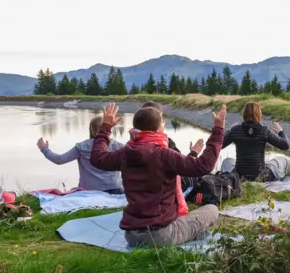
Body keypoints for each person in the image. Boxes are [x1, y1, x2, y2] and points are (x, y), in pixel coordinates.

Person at [90, 103, 226, 247]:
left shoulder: (125, 153)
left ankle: (190, 234)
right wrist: (218, 130)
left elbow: (97, 158)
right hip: (161, 235)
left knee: (193, 224)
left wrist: (105, 128)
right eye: (162, 122)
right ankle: (190, 235)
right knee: (212, 209)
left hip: (131, 236)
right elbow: (203, 166)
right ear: (157, 129)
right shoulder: (164, 155)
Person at [36, 116, 124, 194]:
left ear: (91, 129)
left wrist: (44, 149)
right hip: (115, 189)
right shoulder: (117, 146)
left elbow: (59, 159)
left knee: (73, 190)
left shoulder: (81, 147)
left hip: (89, 191)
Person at [222, 102, 290, 181]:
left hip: (239, 177)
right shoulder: (265, 130)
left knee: (227, 161)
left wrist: (225, 130)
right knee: (283, 160)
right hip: (261, 177)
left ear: (244, 114)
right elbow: (285, 145)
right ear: (259, 115)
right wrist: (280, 131)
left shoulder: (235, 130)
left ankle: (235, 181)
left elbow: (218, 146)